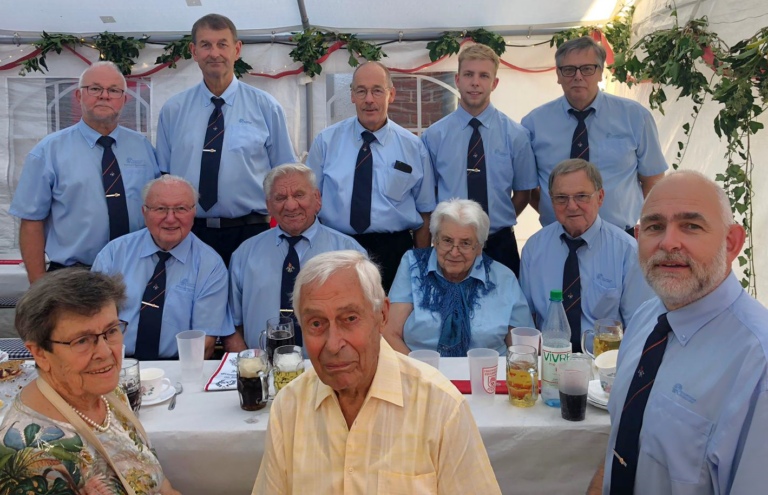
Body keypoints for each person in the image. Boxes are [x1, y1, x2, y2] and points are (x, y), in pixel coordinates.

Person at [253, 250, 501, 494]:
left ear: (382, 315)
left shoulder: (441, 407)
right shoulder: (289, 407)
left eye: (349, 319)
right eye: (316, 324)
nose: (333, 344)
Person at [588, 171, 767, 494]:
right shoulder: (646, 320)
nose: (668, 242)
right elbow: (626, 441)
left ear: (731, 242)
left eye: (691, 226)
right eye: (655, 227)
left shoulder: (758, 363)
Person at [0, 269, 180, 494]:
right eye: (82, 340)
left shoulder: (111, 394)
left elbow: (161, 485)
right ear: (40, 354)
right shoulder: (35, 456)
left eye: (111, 331)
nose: (105, 352)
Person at [156, 14, 297, 266]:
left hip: (251, 232)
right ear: (194, 51)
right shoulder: (173, 110)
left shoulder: (266, 108)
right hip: (189, 233)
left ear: (237, 49)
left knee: (249, 304)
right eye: (206, 45)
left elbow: (285, 174)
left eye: (222, 44)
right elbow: (164, 176)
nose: (214, 53)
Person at [10, 62, 160, 284]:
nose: (104, 96)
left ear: (124, 100)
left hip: (135, 271)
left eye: (114, 90)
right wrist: (39, 287)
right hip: (73, 277)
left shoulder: (143, 148)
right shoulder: (48, 151)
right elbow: (32, 222)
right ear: (79, 96)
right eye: (95, 88)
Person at [307, 61, 436, 292]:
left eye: (377, 90)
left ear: (391, 94)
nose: (369, 99)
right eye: (361, 91)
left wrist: (422, 265)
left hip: (394, 253)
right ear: (352, 96)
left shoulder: (414, 147)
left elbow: (425, 211)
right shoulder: (326, 142)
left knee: (392, 324)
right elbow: (309, 203)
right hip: (337, 249)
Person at [521, 36, 667, 234]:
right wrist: (562, 215)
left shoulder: (635, 117)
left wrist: (651, 227)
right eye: (569, 69)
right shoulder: (534, 124)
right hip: (558, 236)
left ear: (600, 73)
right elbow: (528, 188)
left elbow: (653, 180)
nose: (578, 77)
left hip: (622, 236)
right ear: (558, 75)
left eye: (588, 69)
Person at [421, 44, 537, 276]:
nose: (475, 82)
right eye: (469, 74)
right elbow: (428, 197)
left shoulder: (516, 135)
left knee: (505, 310)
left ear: (494, 83)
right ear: (457, 79)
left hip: (500, 244)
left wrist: (492, 224)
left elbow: (524, 193)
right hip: (449, 248)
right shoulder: (434, 136)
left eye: (484, 75)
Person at [92, 175, 235, 360]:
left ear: (194, 212)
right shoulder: (113, 254)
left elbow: (204, 344)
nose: (170, 218)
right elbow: (93, 322)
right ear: (144, 212)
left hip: (178, 367)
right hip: (118, 364)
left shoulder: (211, 266)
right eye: (160, 209)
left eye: (181, 209)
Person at [520, 159, 653, 354]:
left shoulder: (626, 251)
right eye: (561, 198)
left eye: (581, 196)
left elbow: (639, 324)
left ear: (600, 197)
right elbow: (526, 319)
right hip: (549, 360)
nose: (572, 206)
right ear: (551, 200)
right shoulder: (534, 248)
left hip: (603, 364)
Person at [228, 163, 366, 350]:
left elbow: (364, 320)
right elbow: (232, 326)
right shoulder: (245, 254)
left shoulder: (348, 252)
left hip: (330, 368)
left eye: (299, 195)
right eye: (280, 198)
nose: (291, 205)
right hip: (264, 369)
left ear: (317, 198)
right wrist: (251, 368)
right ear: (269, 206)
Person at [383, 198, 533, 356]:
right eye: (447, 241)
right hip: (421, 373)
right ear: (435, 240)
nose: (454, 252)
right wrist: (420, 375)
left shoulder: (503, 278)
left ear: (479, 247)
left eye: (466, 243)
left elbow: (522, 348)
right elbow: (390, 333)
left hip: (487, 374)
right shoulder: (413, 266)